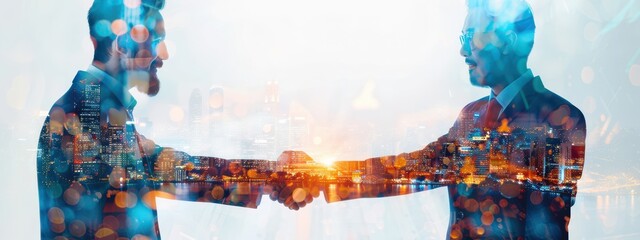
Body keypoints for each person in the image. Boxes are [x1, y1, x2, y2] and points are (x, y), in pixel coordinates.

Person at [36, 1, 310, 238]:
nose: (163, 55)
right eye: (155, 41)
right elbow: (176, 171)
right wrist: (275, 175)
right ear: (122, 44)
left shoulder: (97, 110)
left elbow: (171, 168)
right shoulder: (87, 114)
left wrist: (274, 174)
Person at [318, 0, 586, 239]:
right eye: (462, 37)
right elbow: (413, 168)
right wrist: (318, 178)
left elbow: (545, 231)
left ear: (508, 40)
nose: (463, 50)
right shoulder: (471, 115)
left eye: (471, 36)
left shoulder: (559, 118)